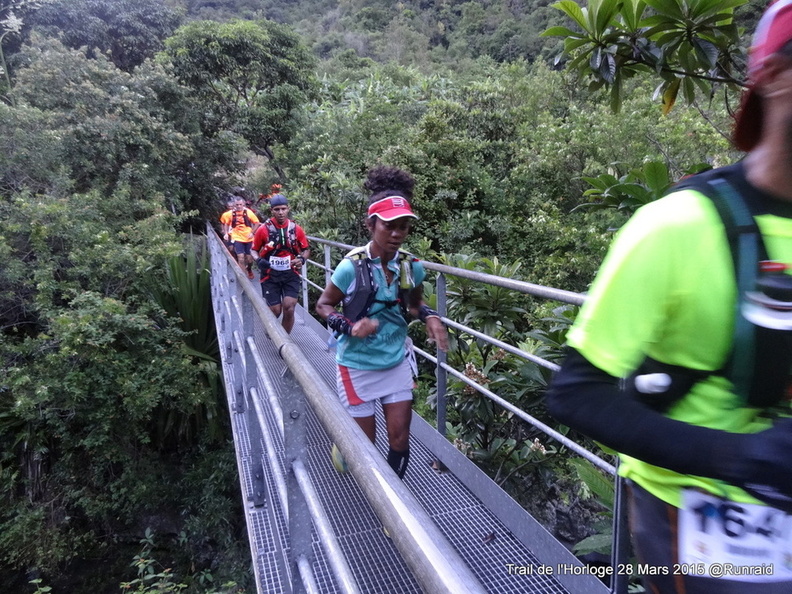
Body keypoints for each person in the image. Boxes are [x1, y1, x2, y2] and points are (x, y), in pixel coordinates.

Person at [546, 3, 792, 592]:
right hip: (693, 512)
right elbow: (577, 393)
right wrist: (741, 459)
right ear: (777, 77)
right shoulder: (677, 225)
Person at [315, 166, 449, 480]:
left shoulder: (411, 266)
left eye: (403, 227)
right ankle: (346, 447)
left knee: (400, 439)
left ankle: (392, 506)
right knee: (365, 447)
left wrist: (430, 317)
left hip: (395, 360)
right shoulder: (351, 267)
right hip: (357, 364)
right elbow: (323, 305)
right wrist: (350, 327)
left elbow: (414, 305)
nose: (396, 234)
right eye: (389, 226)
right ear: (370, 224)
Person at [252, 193, 311, 333]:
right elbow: (253, 250)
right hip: (270, 275)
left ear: (288, 209)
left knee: (289, 307)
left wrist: (302, 259)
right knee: (275, 310)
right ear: (271, 210)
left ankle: (285, 341)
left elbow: (306, 249)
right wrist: (259, 260)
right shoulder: (263, 229)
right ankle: (271, 329)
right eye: (277, 209)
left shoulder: (296, 229)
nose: (280, 212)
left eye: (283, 209)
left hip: (291, 273)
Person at [220, 195, 261, 279]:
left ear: (243, 204)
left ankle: (249, 269)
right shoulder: (230, 214)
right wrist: (226, 233)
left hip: (248, 238)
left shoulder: (248, 212)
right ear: (234, 205)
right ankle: (243, 278)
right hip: (237, 237)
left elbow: (257, 223)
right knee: (240, 257)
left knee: (249, 259)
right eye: (237, 205)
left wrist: (252, 233)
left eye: (240, 204)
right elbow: (226, 223)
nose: (239, 206)